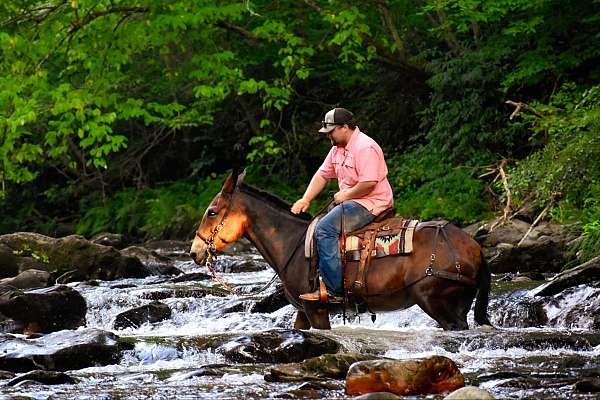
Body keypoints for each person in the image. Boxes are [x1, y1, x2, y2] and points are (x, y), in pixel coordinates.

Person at [291, 107, 394, 301]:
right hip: (352, 201)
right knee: (320, 226)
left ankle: (335, 291)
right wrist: (306, 198)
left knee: (323, 230)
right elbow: (322, 174)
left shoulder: (365, 147)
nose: (328, 136)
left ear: (345, 127)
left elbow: (369, 182)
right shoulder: (336, 150)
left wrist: (346, 195)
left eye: (331, 131)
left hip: (371, 203)